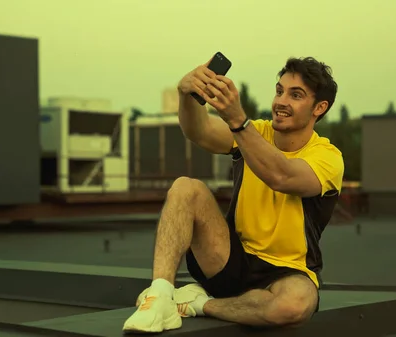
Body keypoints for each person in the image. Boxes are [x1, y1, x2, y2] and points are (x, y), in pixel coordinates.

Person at [123, 56, 344, 333]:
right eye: (279, 91)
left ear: (319, 108)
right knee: (185, 187)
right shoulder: (255, 132)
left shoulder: (327, 157)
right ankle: (159, 296)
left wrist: (238, 120)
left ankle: (197, 304)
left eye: (295, 95)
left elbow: (282, 175)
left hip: (287, 270)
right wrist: (188, 96)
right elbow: (199, 131)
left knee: (293, 306)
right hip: (230, 257)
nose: (281, 101)